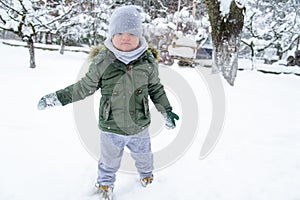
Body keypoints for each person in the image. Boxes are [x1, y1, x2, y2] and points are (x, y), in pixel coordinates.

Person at [37, 5, 179, 200]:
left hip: (139, 127)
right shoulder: (103, 61)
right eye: (119, 32)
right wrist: (58, 97)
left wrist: (166, 110)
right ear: (111, 35)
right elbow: (84, 87)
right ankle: (105, 184)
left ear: (139, 35)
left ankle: (147, 178)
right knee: (109, 161)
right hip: (110, 127)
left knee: (144, 157)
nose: (125, 37)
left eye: (131, 32)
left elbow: (155, 88)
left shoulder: (147, 62)